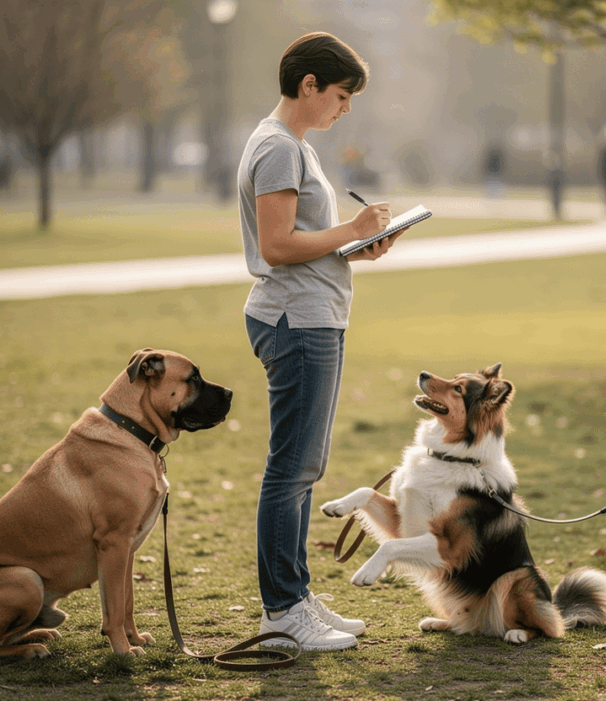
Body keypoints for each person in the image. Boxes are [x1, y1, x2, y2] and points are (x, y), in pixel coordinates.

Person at [236, 31, 404, 652]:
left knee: (304, 469)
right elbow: (277, 246)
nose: (346, 107)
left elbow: (300, 242)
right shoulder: (280, 148)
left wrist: (359, 242)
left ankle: (297, 596)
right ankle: (281, 612)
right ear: (309, 86)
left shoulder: (289, 145)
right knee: (292, 470)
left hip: (310, 315)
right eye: (340, 94)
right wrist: (351, 229)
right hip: (296, 323)